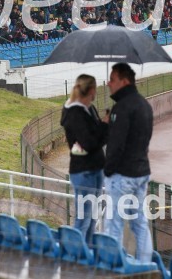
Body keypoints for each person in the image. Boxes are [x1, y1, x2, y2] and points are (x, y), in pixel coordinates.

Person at [103, 62, 153, 263]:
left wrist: (107, 171)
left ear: (124, 81)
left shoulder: (121, 108)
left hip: (122, 176)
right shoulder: (144, 105)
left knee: (113, 224)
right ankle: (145, 266)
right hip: (141, 173)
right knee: (139, 223)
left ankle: (112, 268)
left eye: (112, 79)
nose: (108, 84)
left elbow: (116, 145)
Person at [60, 74, 108, 246]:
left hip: (96, 167)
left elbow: (96, 138)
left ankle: (86, 253)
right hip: (83, 170)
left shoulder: (90, 109)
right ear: (91, 91)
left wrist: (104, 126)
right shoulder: (74, 113)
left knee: (92, 217)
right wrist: (104, 128)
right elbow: (89, 143)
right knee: (84, 218)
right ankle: (77, 254)